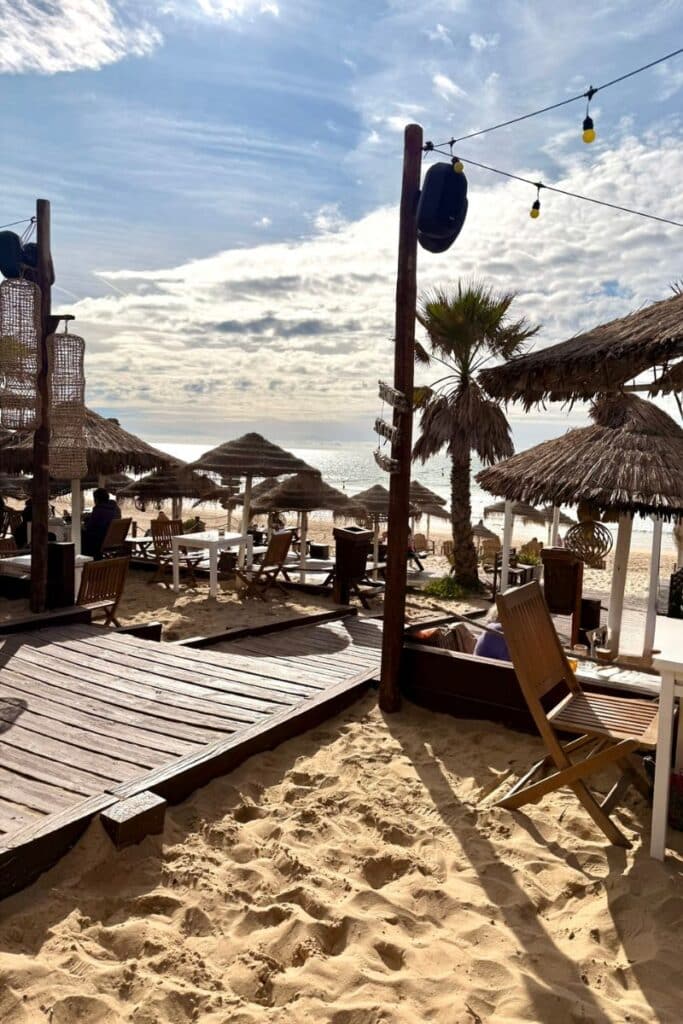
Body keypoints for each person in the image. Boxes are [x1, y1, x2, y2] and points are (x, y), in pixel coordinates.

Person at [83, 487, 121, 559]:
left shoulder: (98, 510)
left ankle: (90, 561)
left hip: (101, 541)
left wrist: (86, 522)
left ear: (96, 499)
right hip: (114, 540)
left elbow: (90, 527)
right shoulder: (116, 508)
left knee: (81, 535)